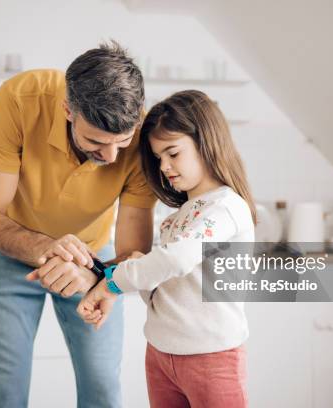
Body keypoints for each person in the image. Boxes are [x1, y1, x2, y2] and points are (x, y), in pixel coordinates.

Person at [0, 41, 156, 408]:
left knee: (104, 387)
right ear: (68, 109)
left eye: (123, 141)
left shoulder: (144, 138)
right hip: (9, 255)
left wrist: (95, 277)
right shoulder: (20, 99)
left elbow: (134, 253)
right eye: (96, 142)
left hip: (94, 261)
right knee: (4, 390)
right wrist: (43, 248)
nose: (111, 156)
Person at [77, 90, 257, 408]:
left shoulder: (225, 207)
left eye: (173, 153)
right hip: (160, 355)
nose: (165, 166)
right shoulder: (175, 220)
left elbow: (176, 259)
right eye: (159, 157)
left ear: (205, 142)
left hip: (211, 358)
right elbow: (163, 289)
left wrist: (113, 282)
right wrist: (127, 275)